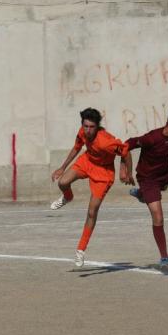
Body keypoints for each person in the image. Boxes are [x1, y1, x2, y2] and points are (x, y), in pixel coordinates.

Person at [50, 108, 132, 267]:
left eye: (91, 127)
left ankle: (81, 249)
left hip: (104, 172)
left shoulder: (106, 142)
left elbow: (126, 152)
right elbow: (77, 147)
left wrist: (127, 172)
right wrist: (62, 167)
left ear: (97, 126)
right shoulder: (82, 132)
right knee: (63, 183)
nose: (87, 130)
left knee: (92, 211)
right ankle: (68, 197)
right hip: (87, 161)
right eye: (85, 126)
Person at [124, 108, 168, 274]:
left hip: (163, 177)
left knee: (158, 193)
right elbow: (127, 144)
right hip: (147, 179)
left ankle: (141, 194)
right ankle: (164, 257)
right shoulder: (152, 138)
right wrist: (124, 169)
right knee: (158, 217)